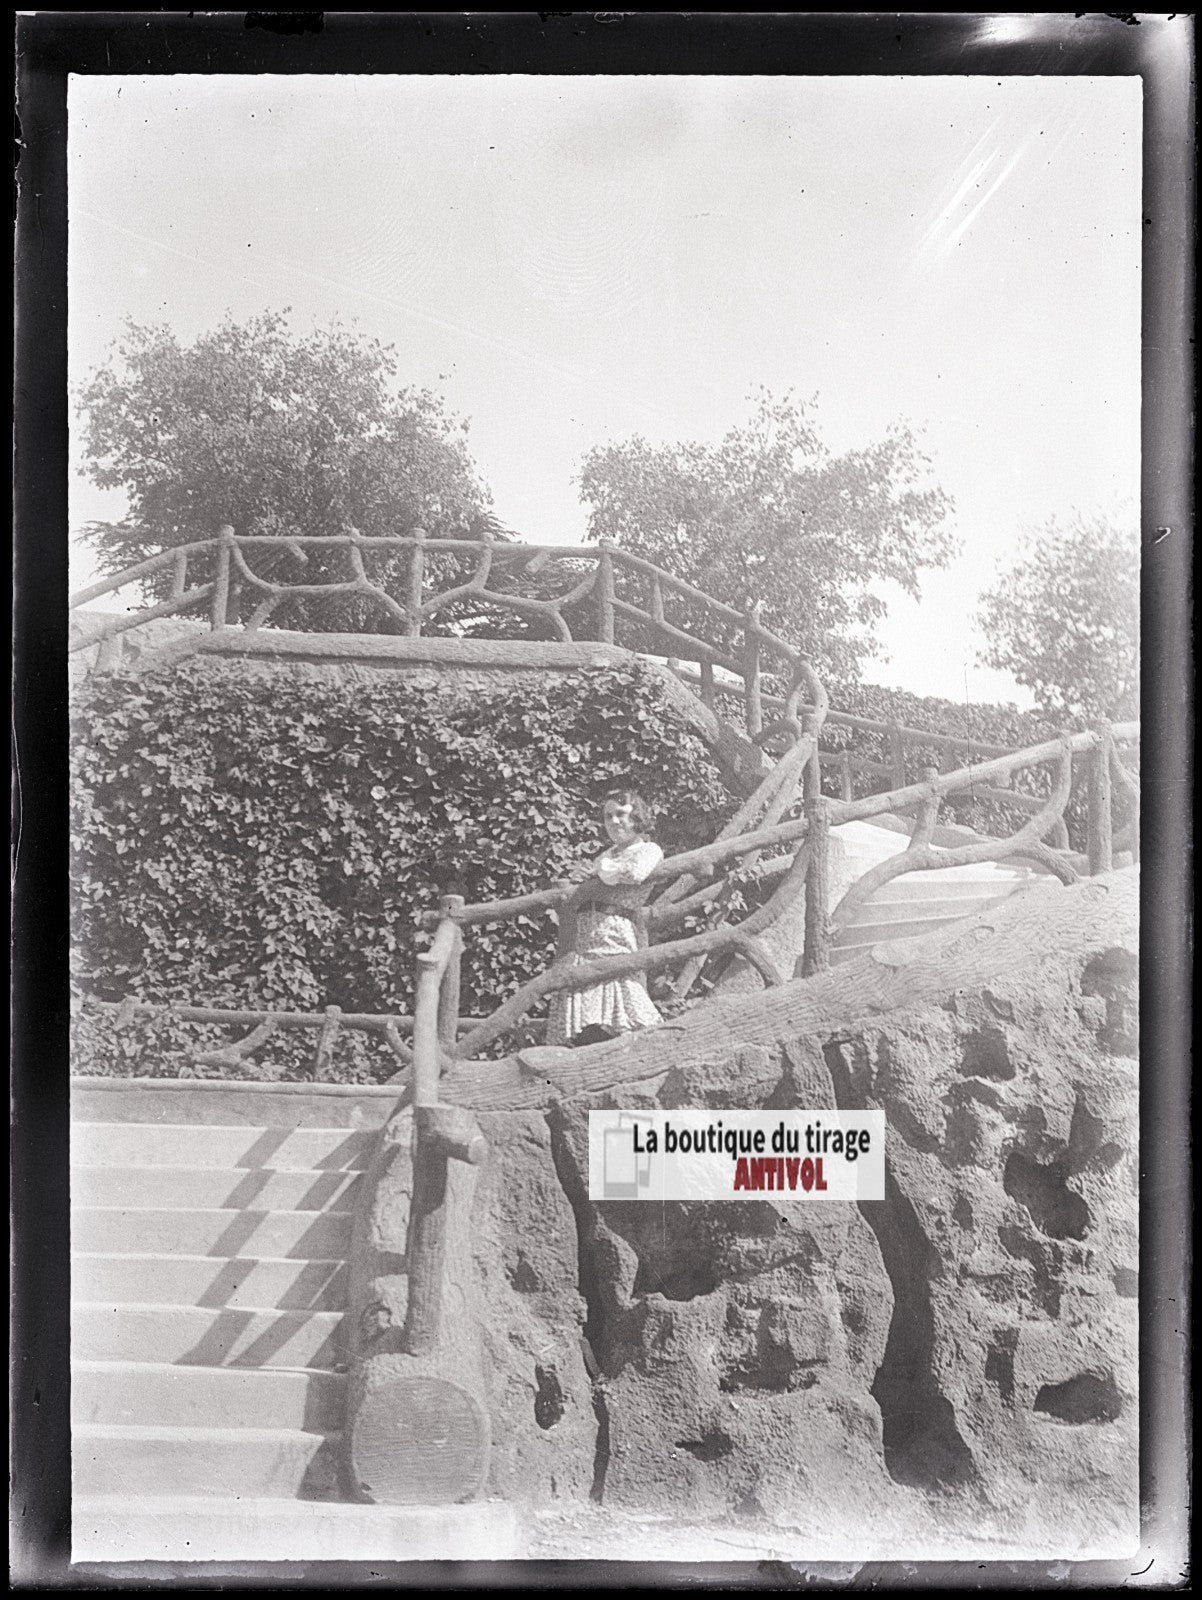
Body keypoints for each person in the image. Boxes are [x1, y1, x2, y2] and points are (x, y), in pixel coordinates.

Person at [546, 789, 664, 1047]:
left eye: (620, 814)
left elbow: (634, 874)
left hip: (615, 932)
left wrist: (599, 871)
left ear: (638, 817)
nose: (613, 821)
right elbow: (597, 880)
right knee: (584, 999)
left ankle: (647, 1050)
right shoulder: (607, 855)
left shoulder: (648, 849)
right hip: (585, 934)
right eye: (608, 816)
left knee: (624, 997)